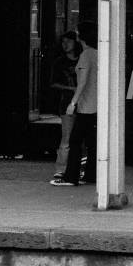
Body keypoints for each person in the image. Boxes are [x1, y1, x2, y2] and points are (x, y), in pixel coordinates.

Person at [52, 22, 98, 187]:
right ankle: (91, 175)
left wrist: (73, 102)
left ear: (82, 36)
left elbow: (83, 82)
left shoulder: (85, 55)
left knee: (75, 141)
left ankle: (71, 176)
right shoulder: (97, 53)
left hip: (85, 105)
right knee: (92, 143)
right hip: (95, 104)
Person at [49, 30, 79, 182]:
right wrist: (72, 89)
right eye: (63, 42)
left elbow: (54, 83)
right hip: (69, 102)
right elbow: (53, 83)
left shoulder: (61, 62)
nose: (65, 44)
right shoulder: (61, 62)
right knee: (67, 137)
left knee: (68, 137)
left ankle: (65, 168)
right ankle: (62, 168)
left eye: (68, 41)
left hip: (70, 101)